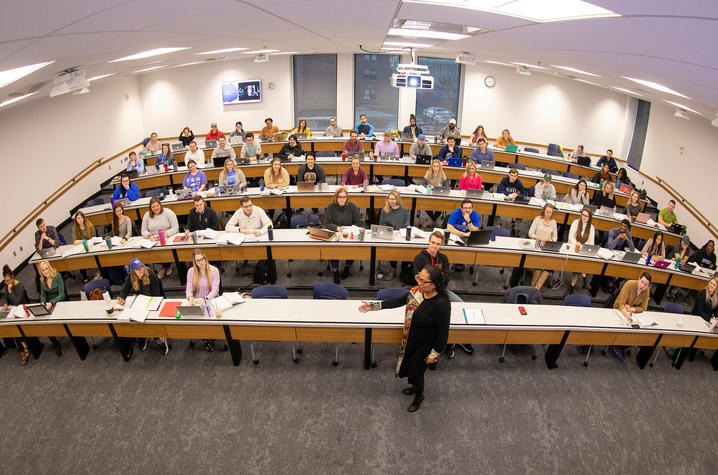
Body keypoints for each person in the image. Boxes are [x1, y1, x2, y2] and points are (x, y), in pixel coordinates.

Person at [358, 265, 450, 412]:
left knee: (416, 372)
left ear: (433, 285)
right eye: (418, 278)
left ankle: (419, 396)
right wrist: (374, 305)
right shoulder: (415, 291)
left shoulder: (441, 304)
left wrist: (435, 354)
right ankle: (414, 387)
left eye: (423, 281)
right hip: (410, 340)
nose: (418, 282)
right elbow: (397, 301)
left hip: (425, 346)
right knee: (410, 368)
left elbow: (443, 333)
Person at [117, 257, 169, 356]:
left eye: (141, 267)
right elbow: (125, 290)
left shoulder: (151, 276)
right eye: (137, 269)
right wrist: (122, 298)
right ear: (133, 271)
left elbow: (157, 295)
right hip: (140, 304)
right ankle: (143, 335)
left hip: (154, 302)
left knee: (149, 320)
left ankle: (159, 339)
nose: (141, 270)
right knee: (133, 318)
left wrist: (147, 305)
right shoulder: (131, 278)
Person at [324, 187, 362, 283]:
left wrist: (349, 229)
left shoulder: (352, 207)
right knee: (333, 249)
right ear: (336, 198)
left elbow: (358, 223)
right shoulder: (330, 207)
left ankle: (347, 268)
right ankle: (335, 270)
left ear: (347, 197)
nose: (342, 199)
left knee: (351, 248)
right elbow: (327, 223)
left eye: (344, 197)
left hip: (349, 233)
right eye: (340, 197)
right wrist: (338, 228)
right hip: (335, 233)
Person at [612, 272, 652, 362]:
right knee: (626, 326)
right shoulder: (629, 284)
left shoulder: (646, 291)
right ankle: (618, 346)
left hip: (632, 313)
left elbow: (643, 308)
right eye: (642, 282)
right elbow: (621, 304)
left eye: (646, 284)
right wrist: (626, 313)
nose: (642, 286)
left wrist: (632, 309)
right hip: (619, 310)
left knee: (637, 329)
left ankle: (623, 345)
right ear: (639, 279)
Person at [185, 249, 220, 351]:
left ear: (205, 258)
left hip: (211, 300)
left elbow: (215, 290)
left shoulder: (214, 270)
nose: (200, 262)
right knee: (197, 321)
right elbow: (189, 288)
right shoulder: (191, 271)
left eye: (202, 259)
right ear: (194, 261)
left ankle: (210, 337)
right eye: (197, 260)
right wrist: (190, 297)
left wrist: (205, 299)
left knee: (208, 320)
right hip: (196, 301)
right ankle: (205, 337)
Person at [376, 190, 410, 282]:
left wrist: (399, 231)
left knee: (405, 249)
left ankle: (404, 270)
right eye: (389, 199)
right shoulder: (384, 210)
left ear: (397, 199)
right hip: (389, 234)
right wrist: (390, 230)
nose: (391, 201)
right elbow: (381, 225)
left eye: (393, 199)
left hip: (401, 235)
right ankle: (393, 269)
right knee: (392, 249)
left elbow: (407, 224)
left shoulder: (404, 211)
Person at [141, 196, 179, 278]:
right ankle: (165, 266)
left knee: (166, 249)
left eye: (157, 205)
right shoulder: (147, 215)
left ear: (160, 205)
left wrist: (165, 234)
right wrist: (149, 236)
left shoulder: (168, 212)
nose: (155, 208)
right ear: (150, 208)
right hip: (154, 239)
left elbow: (175, 227)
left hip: (168, 236)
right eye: (153, 206)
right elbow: (143, 231)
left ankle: (167, 265)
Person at [1, 265, 31, 365]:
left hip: (23, 310)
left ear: (13, 276)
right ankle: (23, 347)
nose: (7, 283)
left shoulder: (19, 286)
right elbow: (7, 298)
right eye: (6, 281)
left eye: (9, 280)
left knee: (15, 326)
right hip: (14, 310)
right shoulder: (7, 285)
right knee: (10, 326)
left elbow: (17, 302)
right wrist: (6, 303)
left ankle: (22, 348)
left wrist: (10, 291)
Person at [37, 260, 64, 357]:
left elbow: (62, 294)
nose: (45, 271)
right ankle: (56, 343)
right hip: (49, 304)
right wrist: (43, 302)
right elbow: (43, 295)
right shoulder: (42, 280)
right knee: (44, 323)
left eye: (46, 269)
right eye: (43, 270)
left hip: (60, 302)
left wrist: (51, 302)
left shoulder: (58, 276)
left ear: (49, 267)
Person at [565, 207, 595, 295]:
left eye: (586, 216)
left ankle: (573, 284)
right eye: (583, 215)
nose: (584, 217)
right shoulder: (575, 223)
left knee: (580, 262)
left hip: (584, 251)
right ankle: (584, 275)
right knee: (579, 262)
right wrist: (578, 246)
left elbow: (592, 243)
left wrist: (583, 248)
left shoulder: (591, 228)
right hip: (574, 248)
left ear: (590, 218)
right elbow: (570, 238)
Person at [528, 203, 558, 289]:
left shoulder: (553, 222)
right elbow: (530, 233)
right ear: (544, 211)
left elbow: (555, 238)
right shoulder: (538, 219)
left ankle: (536, 289)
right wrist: (538, 238)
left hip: (547, 247)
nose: (548, 214)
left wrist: (550, 240)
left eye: (550, 213)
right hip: (537, 245)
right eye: (547, 212)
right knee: (539, 266)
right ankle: (533, 287)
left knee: (546, 269)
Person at [72, 210, 96, 282]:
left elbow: (94, 238)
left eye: (81, 218)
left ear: (83, 218)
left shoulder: (90, 225)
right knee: (80, 260)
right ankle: (84, 276)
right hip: (81, 246)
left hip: (91, 245)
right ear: (76, 220)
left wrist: (89, 242)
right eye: (78, 218)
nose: (80, 220)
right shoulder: (75, 228)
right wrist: (84, 241)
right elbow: (75, 241)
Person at [422, 160, 449, 226]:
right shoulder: (428, 172)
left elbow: (446, 185)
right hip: (429, 192)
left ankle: (432, 220)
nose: (435, 168)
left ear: (439, 167)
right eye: (433, 166)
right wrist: (429, 186)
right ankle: (434, 220)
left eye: (437, 166)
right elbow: (423, 184)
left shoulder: (442, 173)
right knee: (425, 204)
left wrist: (441, 188)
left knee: (441, 205)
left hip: (439, 192)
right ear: (431, 167)